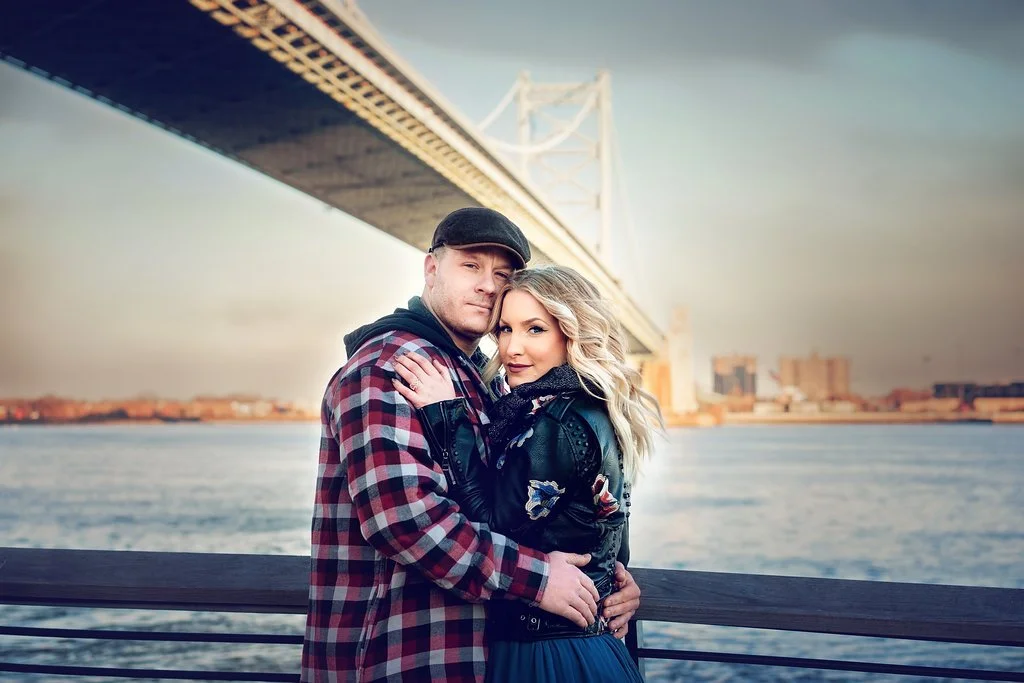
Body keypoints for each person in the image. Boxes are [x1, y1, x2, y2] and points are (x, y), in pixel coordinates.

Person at [301, 208, 641, 683]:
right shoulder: (390, 367)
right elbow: (405, 522)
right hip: (398, 657)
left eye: (502, 274)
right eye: (471, 265)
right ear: (431, 268)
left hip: (480, 656)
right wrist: (539, 580)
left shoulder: (483, 378)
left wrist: (607, 578)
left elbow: (544, 503)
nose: (487, 285)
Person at [391, 264, 662, 682]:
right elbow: (614, 539)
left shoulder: (557, 423)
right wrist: (614, 581)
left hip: (548, 654)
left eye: (534, 329)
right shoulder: (560, 409)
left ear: (572, 334)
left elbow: (492, 523)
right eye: (504, 329)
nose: (513, 348)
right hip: (578, 644)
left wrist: (448, 417)